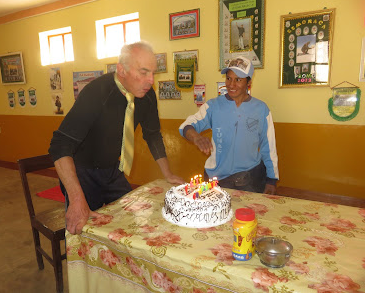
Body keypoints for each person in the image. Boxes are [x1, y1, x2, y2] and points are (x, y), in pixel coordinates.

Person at [49, 42, 183, 234]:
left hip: (112, 169)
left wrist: (168, 174)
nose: (151, 80)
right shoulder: (96, 92)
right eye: (144, 72)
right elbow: (60, 145)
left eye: (153, 73)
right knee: (85, 232)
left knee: (129, 222)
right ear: (122, 69)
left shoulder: (148, 96)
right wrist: (77, 199)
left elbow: (152, 135)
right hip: (82, 173)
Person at [179, 56, 279, 194]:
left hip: (250, 179)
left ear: (248, 82)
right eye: (228, 78)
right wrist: (196, 137)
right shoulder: (213, 106)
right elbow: (186, 126)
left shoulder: (261, 109)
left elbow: (269, 147)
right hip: (217, 180)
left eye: (238, 80)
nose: (231, 85)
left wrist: (271, 180)